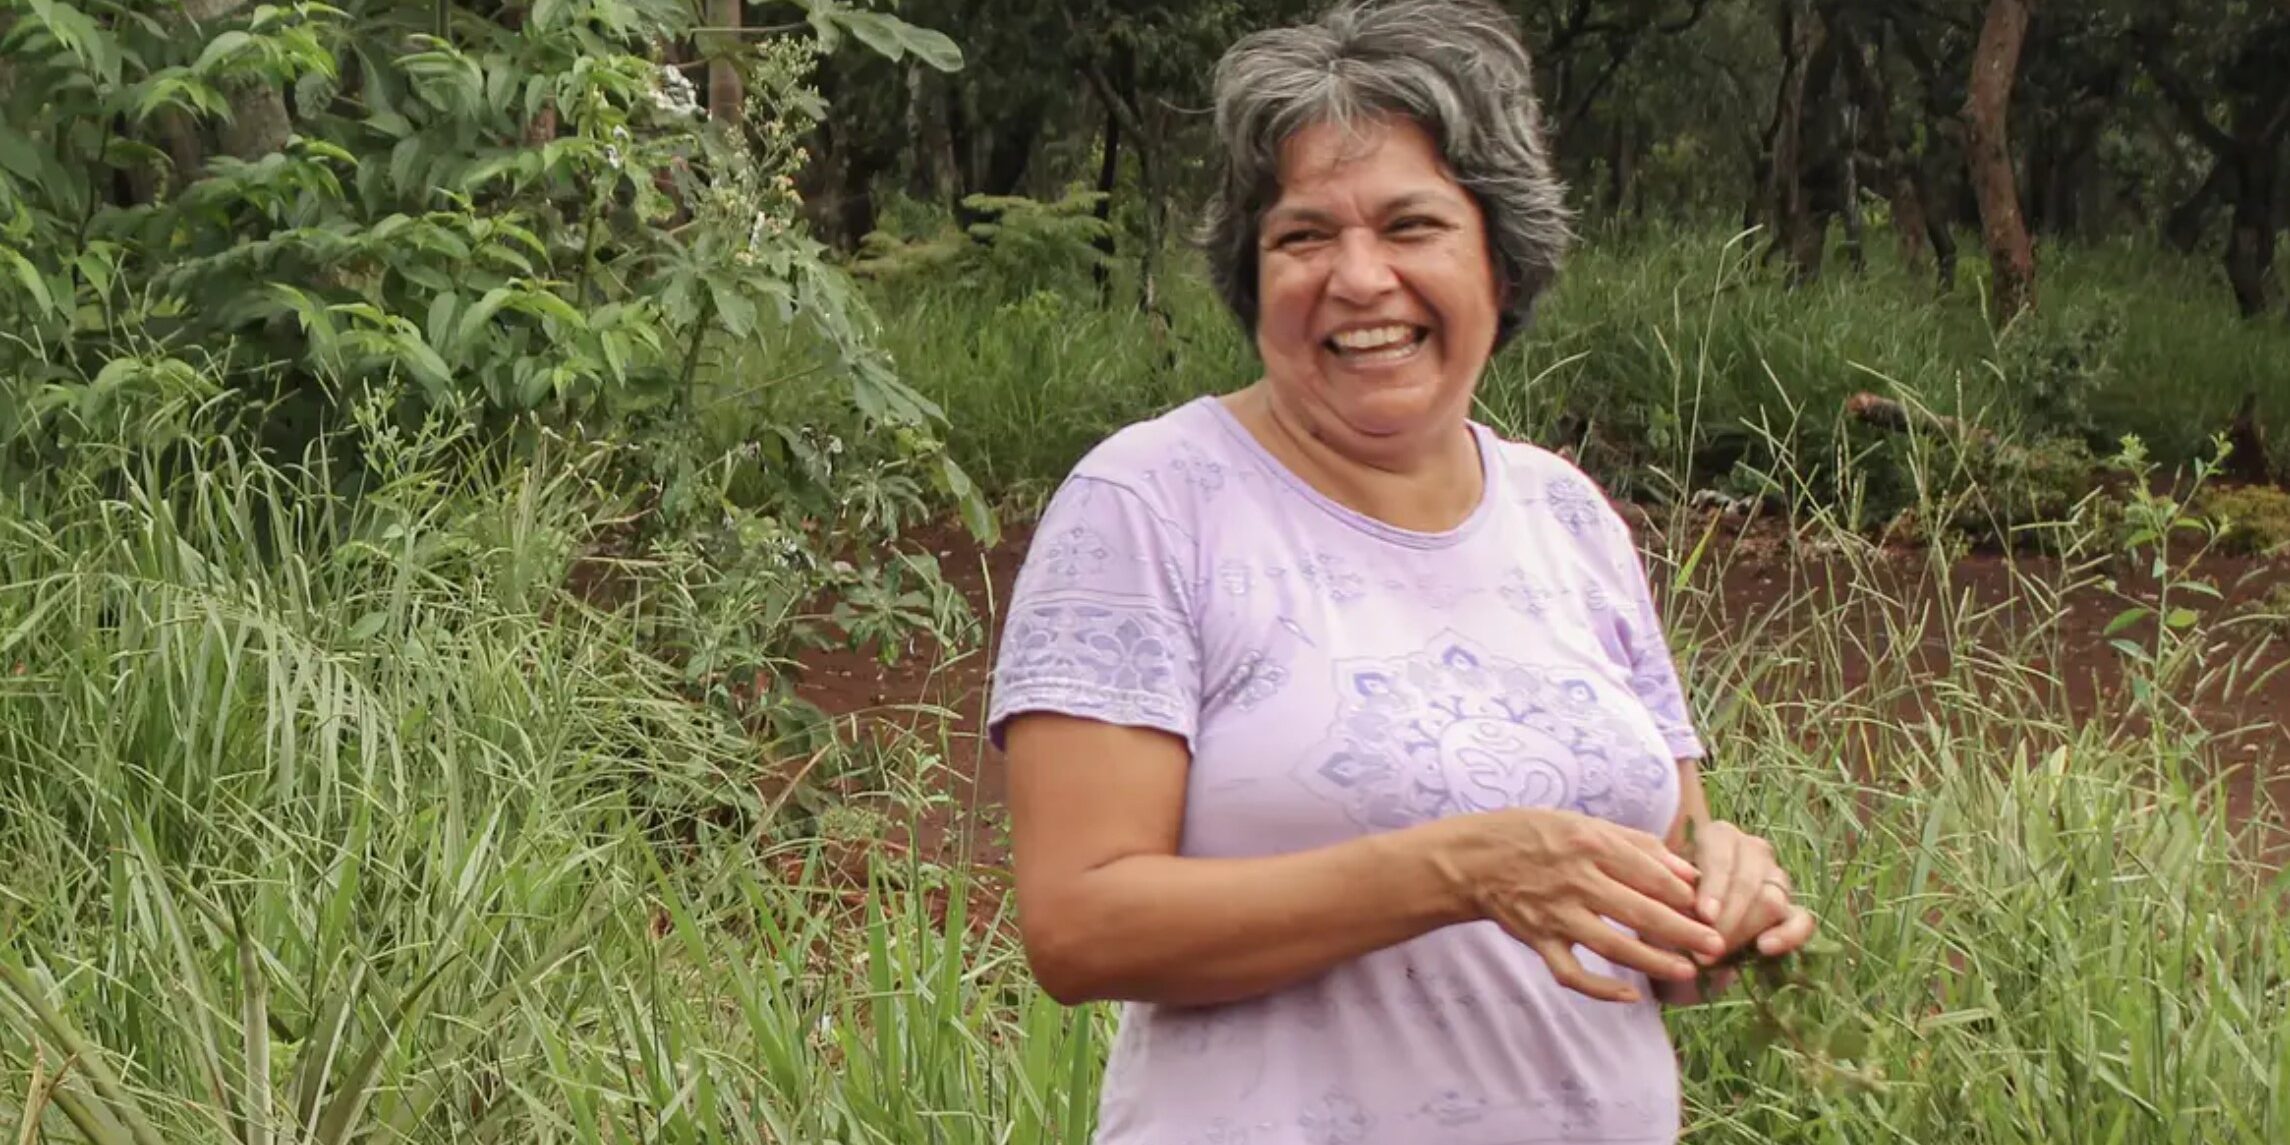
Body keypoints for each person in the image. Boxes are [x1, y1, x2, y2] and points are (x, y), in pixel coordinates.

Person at [984, 1, 1818, 1141]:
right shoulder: (1150, 502)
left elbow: (1651, 881)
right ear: (1253, 277)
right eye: (1303, 235)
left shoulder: (1568, 516)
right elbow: (1080, 927)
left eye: (1411, 224)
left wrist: (1720, 896)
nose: (1359, 277)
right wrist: (1459, 868)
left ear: (1502, 262)